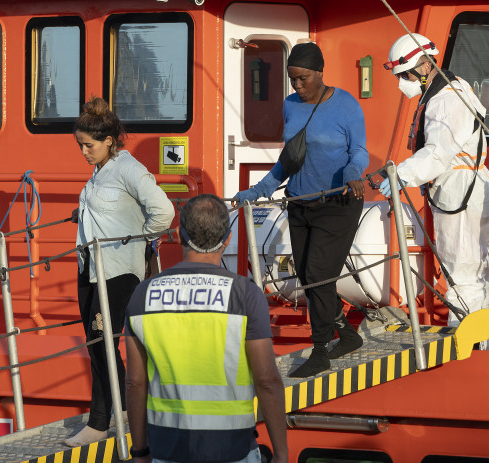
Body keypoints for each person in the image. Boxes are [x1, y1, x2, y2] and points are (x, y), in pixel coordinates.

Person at [233, 42, 369, 378]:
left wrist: (353, 174)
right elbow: (289, 157)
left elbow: (360, 152)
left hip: (338, 203)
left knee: (320, 274)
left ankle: (320, 349)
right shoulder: (290, 106)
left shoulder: (347, 106)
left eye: (303, 78)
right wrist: (260, 189)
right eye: (293, 79)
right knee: (308, 277)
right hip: (299, 202)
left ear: (320, 72)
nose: (297, 85)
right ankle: (348, 335)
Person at [125, 194, 288, 463]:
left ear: (179, 235)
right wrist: (281, 454)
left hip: (168, 450)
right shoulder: (244, 294)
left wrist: (140, 451)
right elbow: (267, 382)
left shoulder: (143, 294)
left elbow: (135, 382)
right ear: (227, 238)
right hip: (232, 449)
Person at [65, 97, 175, 447]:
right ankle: (126, 408)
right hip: (91, 268)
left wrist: (144, 240)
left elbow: (164, 211)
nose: (84, 152)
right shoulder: (100, 171)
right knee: (96, 343)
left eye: (89, 145)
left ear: (109, 141)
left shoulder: (129, 169)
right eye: (80, 145)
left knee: (102, 344)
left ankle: (99, 424)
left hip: (117, 272)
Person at [380, 33, 488, 340]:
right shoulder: (451, 90)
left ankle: (467, 344)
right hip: (465, 189)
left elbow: (438, 153)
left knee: (463, 274)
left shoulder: (445, 100)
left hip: (460, 194)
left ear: (424, 67)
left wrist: (401, 175)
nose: (402, 81)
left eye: (404, 74)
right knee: (477, 273)